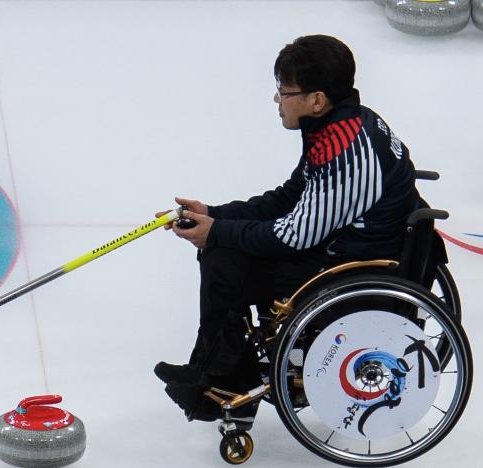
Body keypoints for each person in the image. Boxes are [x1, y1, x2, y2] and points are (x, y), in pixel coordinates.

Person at [151, 35, 428, 424]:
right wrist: (217, 214)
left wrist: (217, 233)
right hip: (346, 243)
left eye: (284, 91)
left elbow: (294, 235)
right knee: (222, 247)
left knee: (225, 260)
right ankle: (212, 371)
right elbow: (288, 198)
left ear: (316, 99)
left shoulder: (343, 151)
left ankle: (224, 386)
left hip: (354, 264)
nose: (277, 100)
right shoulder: (338, 125)